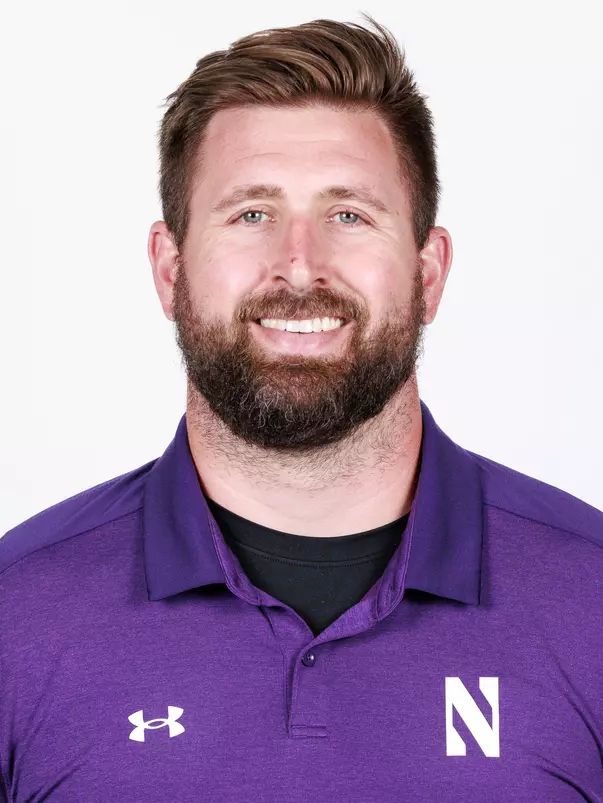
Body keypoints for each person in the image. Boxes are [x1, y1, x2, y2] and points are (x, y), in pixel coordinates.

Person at [1, 14, 602, 802]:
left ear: (427, 273)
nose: (298, 266)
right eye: (251, 213)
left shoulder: (589, 600)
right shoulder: (17, 614)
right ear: (169, 267)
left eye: (347, 214)